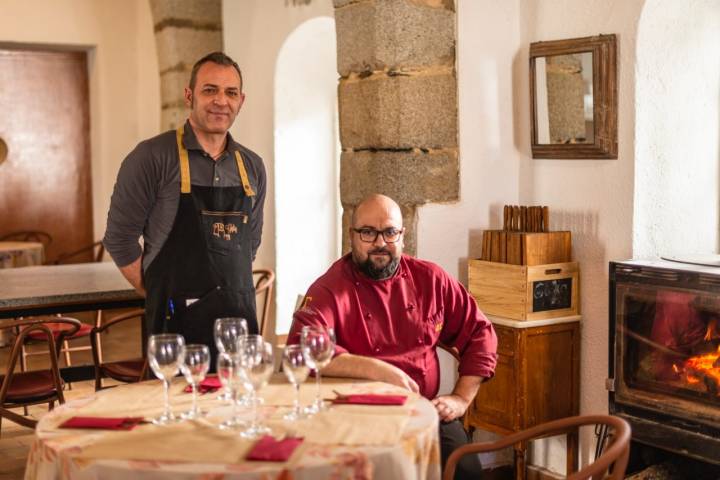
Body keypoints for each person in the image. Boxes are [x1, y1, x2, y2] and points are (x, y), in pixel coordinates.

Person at [288, 193, 497, 479]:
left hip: (423, 409)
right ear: (352, 235)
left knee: (465, 471)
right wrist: (379, 370)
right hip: (354, 414)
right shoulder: (330, 288)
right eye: (368, 233)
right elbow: (302, 349)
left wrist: (461, 398)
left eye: (389, 232)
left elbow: (480, 333)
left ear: (402, 235)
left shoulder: (431, 279)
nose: (379, 243)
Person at [103, 51, 266, 363]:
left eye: (230, 92)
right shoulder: (151, 157)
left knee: (241, 410)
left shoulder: (253, 166)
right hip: (175, 328)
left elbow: (250, 244)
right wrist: (156, 291)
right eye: (210, 90)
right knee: (177, 410)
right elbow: (119, 239)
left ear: (241, 101)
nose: (221, 101)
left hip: (239, 326)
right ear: (189, 95)